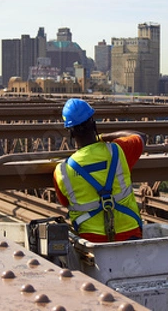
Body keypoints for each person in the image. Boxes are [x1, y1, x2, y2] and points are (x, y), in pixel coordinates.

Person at [53, 98, 146, 242]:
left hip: (92, 242)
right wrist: (103, 137)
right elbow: (141, 137)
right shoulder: (118, 150)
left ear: (70, 133)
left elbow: (65, 202)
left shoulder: (62, 171)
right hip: (130, 235)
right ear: (94, 124)